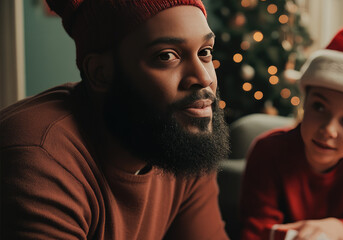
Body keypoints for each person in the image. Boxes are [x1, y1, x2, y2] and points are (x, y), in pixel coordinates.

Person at [0, 0, 231, 239]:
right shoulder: (39, 158)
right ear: (100, 74)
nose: (203, 78)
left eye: (205, 52)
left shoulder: (181, 143)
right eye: (166, 56)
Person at [240, 26, 343, 240]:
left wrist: (338, 228)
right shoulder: (267, 151)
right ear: (304, 102)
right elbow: (256, 230)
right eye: (319, 107)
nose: (328, 129)